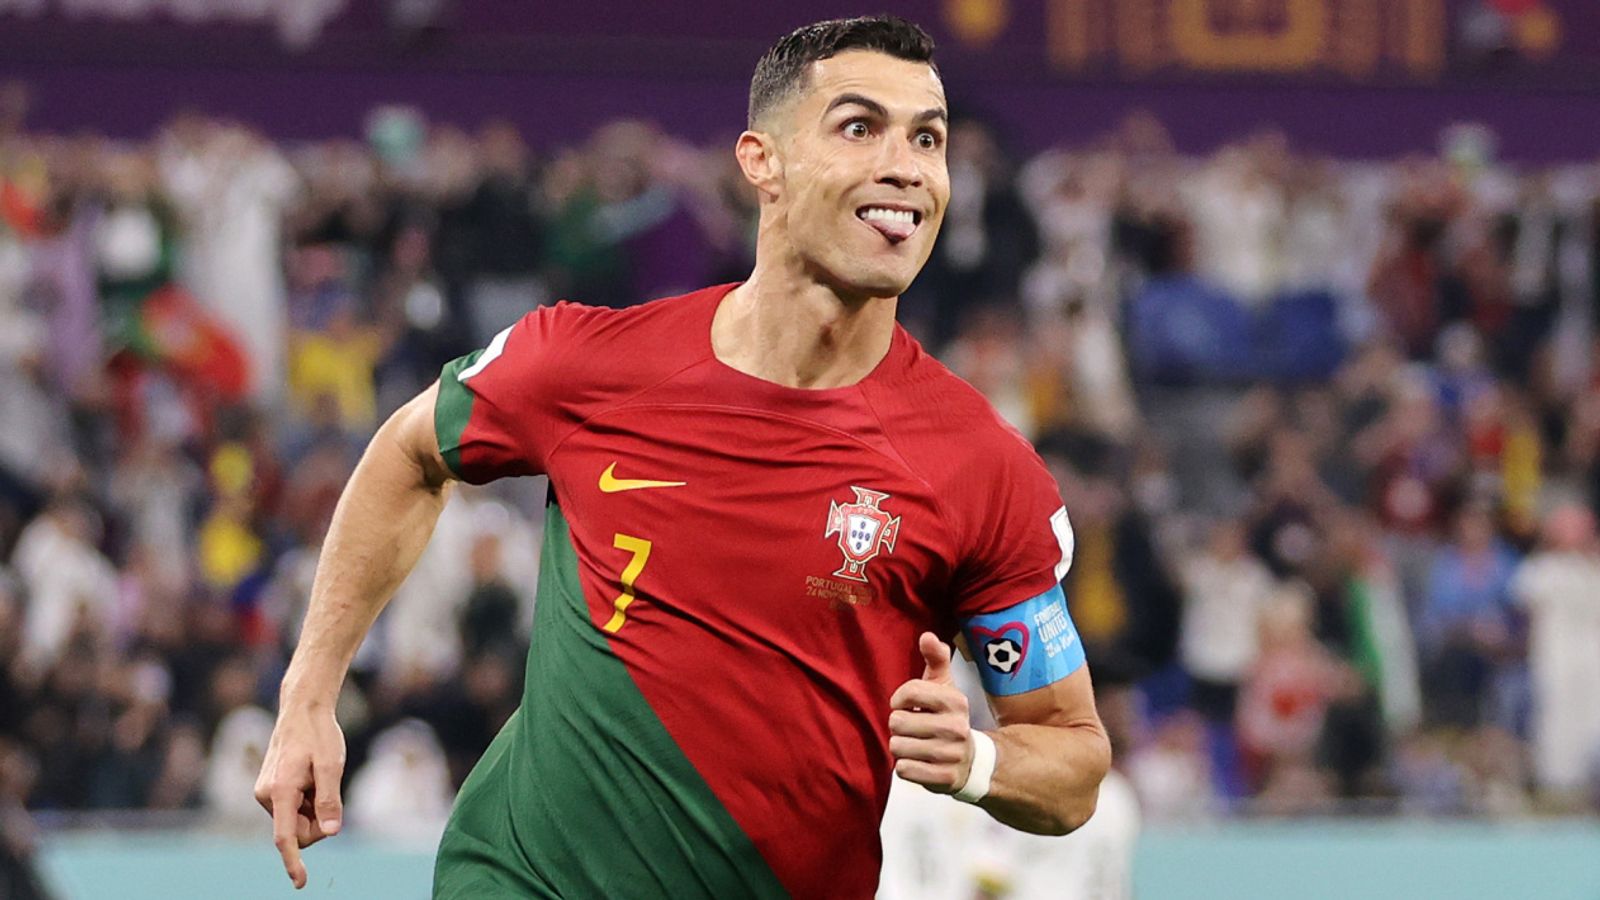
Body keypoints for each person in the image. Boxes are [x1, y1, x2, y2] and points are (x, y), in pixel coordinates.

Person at [255, 16, 1110, 899]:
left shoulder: (980, 466)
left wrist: (973, 759)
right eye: (860, 128)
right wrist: (309, 695)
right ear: (761, 162)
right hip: (521, 879)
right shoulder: (588, 364)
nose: (905, 166)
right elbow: (409, 451)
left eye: (927, 139)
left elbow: (1072, 760)